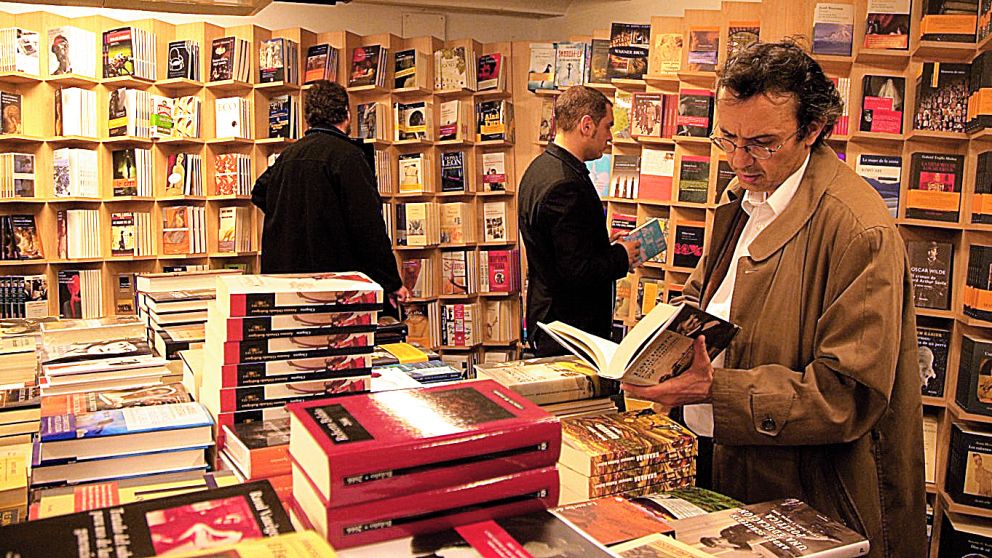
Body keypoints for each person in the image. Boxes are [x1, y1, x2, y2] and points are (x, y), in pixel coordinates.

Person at [622, 41, 926, 557]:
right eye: (728, 139)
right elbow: (702, 301)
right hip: (732, 479)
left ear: (811, 131)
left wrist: (715, 390)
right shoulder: (743, 199)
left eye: (762, 143)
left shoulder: (858, 229)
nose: (740, 160)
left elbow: (845, 395)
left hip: (817, 506)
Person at [251, 80, 408, 309]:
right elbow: (368, 226)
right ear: (346, 113)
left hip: (284, 281)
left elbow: (259, 192)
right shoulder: (349, 156)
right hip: (335, 283)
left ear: (308, 118)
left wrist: (293, 215)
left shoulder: (289, 154)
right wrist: (390, 282)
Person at [518, 85, 640, 357]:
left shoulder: (540, 168)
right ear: (587, 125)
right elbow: (575, 270)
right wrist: (621, 255)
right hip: (569, 330)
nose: (609, 137)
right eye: (607, 126)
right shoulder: (565, 184)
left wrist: (599, 243)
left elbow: (559, 247)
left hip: (553, 320)